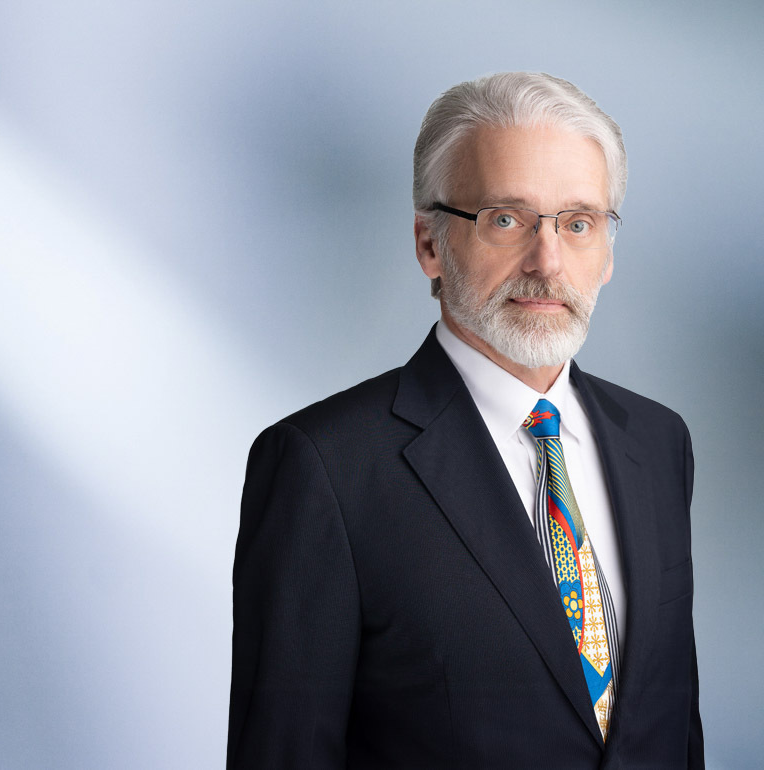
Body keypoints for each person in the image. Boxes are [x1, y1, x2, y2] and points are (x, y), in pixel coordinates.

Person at [228, 71, 703, 769]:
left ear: (607, 252)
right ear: (428, 243)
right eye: (506, 219)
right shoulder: (324, 468)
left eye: (577, 224)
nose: (547, 262)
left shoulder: (659, 445)